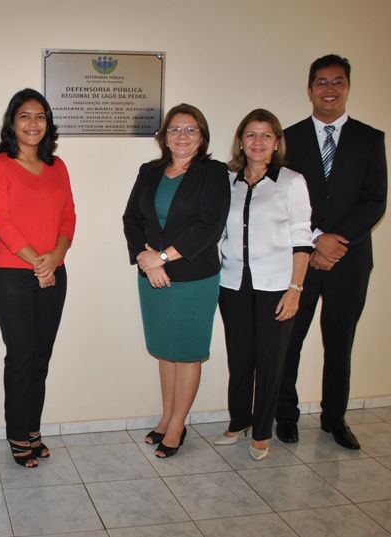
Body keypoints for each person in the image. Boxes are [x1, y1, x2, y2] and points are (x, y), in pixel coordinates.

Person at [276, 54, 387, 450]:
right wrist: (317, 237)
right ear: (309, 90)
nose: (329, 89)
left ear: (347, 88)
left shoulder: (370, 138)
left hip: (350, 260)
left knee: (340, 342)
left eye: (337, 82)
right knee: (290, 340)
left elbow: (375, 201)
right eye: (321, 82)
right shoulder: (288, 138)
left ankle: (334, 419)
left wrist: (337, 242)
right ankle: (285, 416)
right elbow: (283, 202)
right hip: (302, 259)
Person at [123, 103, 230, 458]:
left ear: (202, 137)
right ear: (164, 136)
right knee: (166, 353)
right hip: (152, 276)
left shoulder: (213, 173)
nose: (182, 136)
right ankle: (166, 416)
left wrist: (163, 257)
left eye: (191, 129)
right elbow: (132, 219)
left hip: (193, 277)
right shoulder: (149, 171)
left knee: (187, 354)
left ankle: (179, 424)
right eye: (175, 129)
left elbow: (209, 227)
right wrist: (144, 258)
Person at [0, 89, 76, 468]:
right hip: (12, 276)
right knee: (21, 357)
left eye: (40, 116)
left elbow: (69, 216)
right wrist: (39, 262)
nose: (33, 123)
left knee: (41, 357)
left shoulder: (58, 167)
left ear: (48, 124)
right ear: (13, 123)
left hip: (54, 272)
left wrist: (55, 259)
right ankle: (18, 434)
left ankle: (33, 428)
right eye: (25, 116)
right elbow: (0, 222)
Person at [215, 109, 313, 461]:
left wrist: (295, 289)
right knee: (239, 358)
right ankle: (238, 420)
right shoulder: (227, 180)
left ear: (276, 142)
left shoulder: (291, 182)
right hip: (233, 283)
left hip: (276, 284)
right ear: (241, 140)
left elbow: (303, 241)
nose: (258, 142)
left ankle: (261, 431)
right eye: (251, 135)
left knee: (270, 360)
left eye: (266, 135)